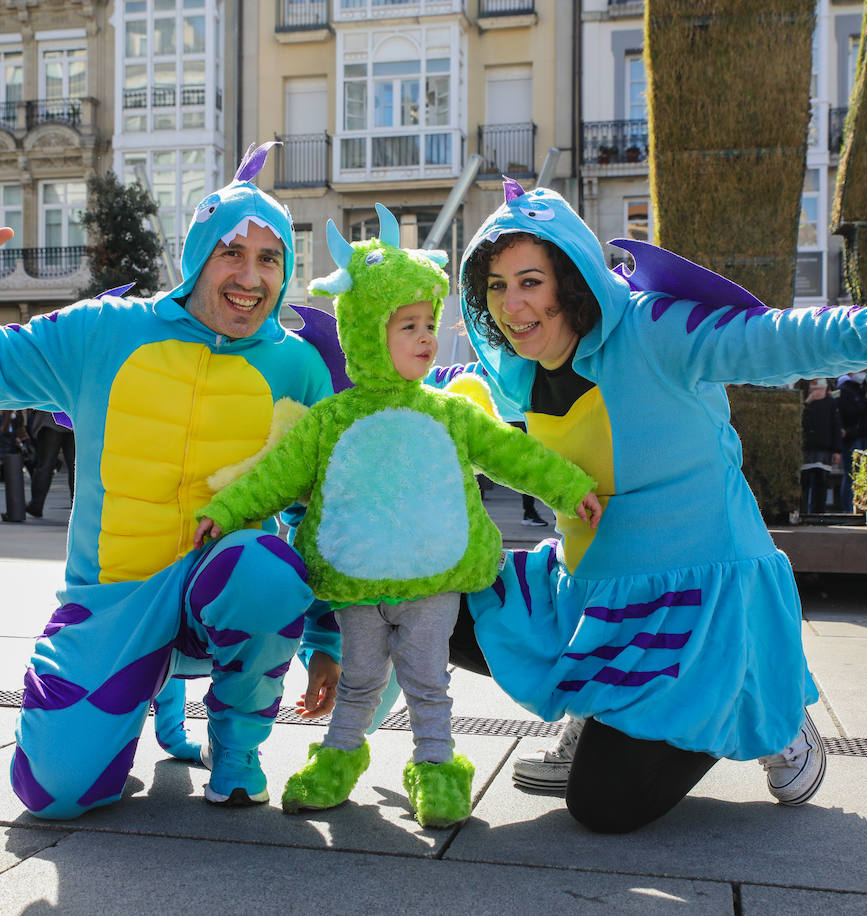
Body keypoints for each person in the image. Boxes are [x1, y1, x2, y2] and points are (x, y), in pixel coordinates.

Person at [441, 179, 867, 833]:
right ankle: (604, 703)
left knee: (602, 807)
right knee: (435, 598)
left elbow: (775, 339)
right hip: (592, 590)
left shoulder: (656, 330)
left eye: (531, 282)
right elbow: (434, 390)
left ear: (570, 280)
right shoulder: (514, 371)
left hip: (695, 603)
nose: (513, 306)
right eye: (496, 286)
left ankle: (755, 698)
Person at [0, 142, 340, 816]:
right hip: (113, 601)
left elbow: (326, 515)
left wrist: (327, 637)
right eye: (233, 252)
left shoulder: (300, 369)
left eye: (270, 259)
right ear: (199, 255)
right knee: (51, 792)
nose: (250, 276)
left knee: (267, 567)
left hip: (223, 594)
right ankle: (128, 693)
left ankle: (236, 753)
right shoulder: (103, 330)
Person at [192, 206, 601, 828]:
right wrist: (226, 512)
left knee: (427, 683)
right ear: (365, 331)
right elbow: (275, 477)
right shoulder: (332, 418)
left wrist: (570, 489)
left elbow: (512, 452)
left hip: (431, 581)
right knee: (359, 682)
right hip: (357, 585)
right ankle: (339, 761)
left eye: (429, 323)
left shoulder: (448, 411)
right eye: (407, 325)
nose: (425, 338)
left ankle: (437, 770)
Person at [800, 378, 842, 515]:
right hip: (806, 447)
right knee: (804, 482)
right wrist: (808, 402)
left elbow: (835, 426)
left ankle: (819, 513)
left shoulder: (830, 403)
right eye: (813, 384)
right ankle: (803, 512)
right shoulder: (803, 400)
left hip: (825, 447)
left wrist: (837, 450)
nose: (817, 388)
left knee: (822, 481)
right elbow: (798, 420)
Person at [836, 371, 867, 512]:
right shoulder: (845, 389)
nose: (863, 374)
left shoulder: (863, 388)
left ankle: (860, 506)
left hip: (865, 435)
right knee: (851, 474)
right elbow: (852, 412)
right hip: (853, 437)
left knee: (863, 474)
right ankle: (847, 508)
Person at [24, 408, 74, 518]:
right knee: (75, 468)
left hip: (50, 419)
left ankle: (36, 505)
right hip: (72, 420)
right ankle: (76, 506)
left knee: (45, 465)